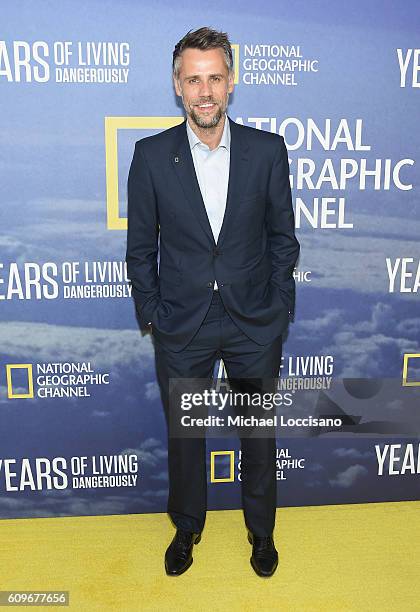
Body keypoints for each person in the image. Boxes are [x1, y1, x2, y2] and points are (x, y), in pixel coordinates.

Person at [126, 26, 300, 577]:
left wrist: (279, 308)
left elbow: (282, 239)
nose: (205, 91)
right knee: (185, 438)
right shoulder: (151, 157)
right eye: (193, 79)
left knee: (258, 433)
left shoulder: (267, 151)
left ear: (231, 84)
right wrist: (153, 313)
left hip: (253, 321)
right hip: (183, 325)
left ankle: (262, 533)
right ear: (177, 86)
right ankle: (187, 528)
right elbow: (139, 249)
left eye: (215, 79)